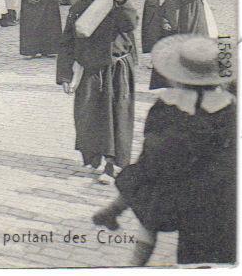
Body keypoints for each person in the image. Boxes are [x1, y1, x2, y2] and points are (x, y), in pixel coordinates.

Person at [93, 35, 235, 266]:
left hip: (168, 185)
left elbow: (153, 148)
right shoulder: (229, 108)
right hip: (211, 193)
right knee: (204, 242)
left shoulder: (167, 104)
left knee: (148, 203)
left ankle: (134, 261)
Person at [57, 0, 137, 184]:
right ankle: (94, 156)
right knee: (88, 115)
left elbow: (130, 23)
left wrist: (121, 0)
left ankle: (112, 165)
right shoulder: (78, 7)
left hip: (115, 70)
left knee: (114, 117)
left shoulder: (115, 5)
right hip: (90, 71)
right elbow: (67, 43)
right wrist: (64, 75)